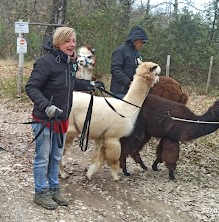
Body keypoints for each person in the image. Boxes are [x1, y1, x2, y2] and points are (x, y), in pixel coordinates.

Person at [25, 27, 103, 210]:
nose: (72, 44)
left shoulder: (70, 63)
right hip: (45, 119)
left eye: (74, 41)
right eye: (68, 41)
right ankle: (40, 192)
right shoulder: (45, 63)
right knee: (43, 157)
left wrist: (89, 84)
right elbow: (31, 87)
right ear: (58, 42)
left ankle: (53, 188)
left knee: (56, 156)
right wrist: (47, 106)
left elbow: (71, 83)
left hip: (61, 120)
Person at [110, 25, 149, 98]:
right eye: (141, 42)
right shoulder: (120, 51)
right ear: (135, 39)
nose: (142, 44)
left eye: (143, 43)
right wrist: (128, 83)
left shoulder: (136, 53)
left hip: (131, 90)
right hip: (120, 92)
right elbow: (115, 69)